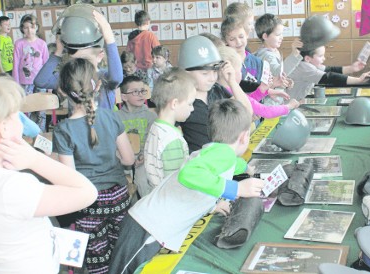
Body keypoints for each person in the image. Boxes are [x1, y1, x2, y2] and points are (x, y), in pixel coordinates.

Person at [0, 75, 97, 273]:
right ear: (4, 128)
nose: (22, 122)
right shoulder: (12, 187)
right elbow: (87, 192)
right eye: (19, 116)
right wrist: (35, 159)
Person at [108, 99, 265, 274]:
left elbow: (228, 167)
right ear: (244, 136)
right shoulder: (223, 154)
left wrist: (245, 170)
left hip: (148, 224)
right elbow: (189, 174)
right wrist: (236, 189)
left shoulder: (217, 152)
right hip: (147, 227)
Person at [53, 58, 135, 273]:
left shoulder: (63, 130)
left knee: (97, 257)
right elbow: (128, 160)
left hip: (89, 202)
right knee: (122, 249)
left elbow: (70, 178)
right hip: (118, 196)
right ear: (97, 85)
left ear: (62, 90)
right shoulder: (112, 117)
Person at [34, 9, 123, 110]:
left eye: (86, 59)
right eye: (77, 59)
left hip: (102, 125)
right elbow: (40, 81)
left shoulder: (104, 76)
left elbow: (117, 78)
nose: (82, 63)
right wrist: (58, 52)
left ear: (100, 56)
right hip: (77, 124)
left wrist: (109, 38)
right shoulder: (70, 76)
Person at [178, 35, 252, 153]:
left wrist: (232, 83)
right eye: (205, 73)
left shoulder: (216, 90)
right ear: (186, 73)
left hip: (223, 161)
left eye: (214, 71)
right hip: (201, 165)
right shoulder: (181, 101)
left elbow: (247, 113)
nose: (212, 78)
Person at [143, 68, 195, 193]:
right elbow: (175, 184)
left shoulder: (156, 127)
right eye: (190, 103)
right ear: (174, 104)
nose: (192, 109)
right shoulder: (171, 139)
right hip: (170, 201)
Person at [217, 46, 298, 119]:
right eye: (239, 70)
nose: (242, 74)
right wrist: (289, 106)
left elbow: (248, 103)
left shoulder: (220, 89)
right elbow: (266, 111)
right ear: (229, 73)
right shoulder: (232, 91)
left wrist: (261, 91)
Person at [117, 75, 157, 198]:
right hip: (122, 162)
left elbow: (153, 142)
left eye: (142, 91)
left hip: (143, 160)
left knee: (142, 182)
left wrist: (143, 156)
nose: (140, 94)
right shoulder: (116, 117)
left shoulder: (151, 116)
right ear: (124, 97)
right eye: (135, 91)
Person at [286, 45, 370, 101]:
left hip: (295, 101)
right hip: (287, 104)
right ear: (308, 58)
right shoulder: (304, 68)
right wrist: (358, 80)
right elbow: (329, 77)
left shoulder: (309, 63)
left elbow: (329, 70)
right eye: (320, 56)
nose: (324, 58)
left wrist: (352, 68)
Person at [12, 14, 49, 131]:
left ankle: (41, 133)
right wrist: (16, 84)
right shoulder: (19, 43)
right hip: (24, 82)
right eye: (26, 27)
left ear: (37, 27)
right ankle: (26, 133)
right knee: (25, 109)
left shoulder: (42, 44)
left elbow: (47, 65)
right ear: (22, 28)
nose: (29, 30)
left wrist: (49, 84)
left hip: (41, 82)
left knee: (41, 109)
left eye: (32, 27)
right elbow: (16, 65)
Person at [254, 13, 294, 89]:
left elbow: (276, 76)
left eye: (282, 34)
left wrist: (285, 81)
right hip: (269, 100)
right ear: (265, 36)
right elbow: (279, 72)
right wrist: (295, 55)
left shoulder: (274, 51)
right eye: (278, 34)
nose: (281, 37)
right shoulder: (266, 55)